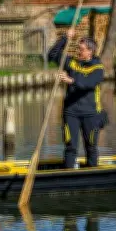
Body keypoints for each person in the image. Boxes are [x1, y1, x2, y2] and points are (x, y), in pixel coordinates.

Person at [48, 28, 107, 169]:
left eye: (81, 49)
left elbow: (88, 84)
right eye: (77, 48)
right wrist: (65, 38)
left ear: (90, 51)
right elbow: (52, 55)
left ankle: (92, 173)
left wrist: (71, 81)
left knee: (91, 146)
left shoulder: (98, 68)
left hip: (91, 114)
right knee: (70, 147)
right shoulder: (72, 63)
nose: (77, 51)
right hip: (71, 113)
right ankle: (67, 176)